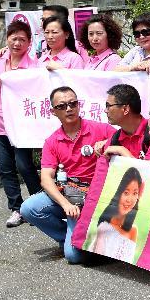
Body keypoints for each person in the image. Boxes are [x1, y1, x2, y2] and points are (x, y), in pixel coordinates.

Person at [21, 86, 115, 264]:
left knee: (73, 257)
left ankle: (80, 242)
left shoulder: (102, 130)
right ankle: (70, 238)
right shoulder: (52, 141)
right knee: (28, 208)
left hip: (98, 197)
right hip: (71, 196)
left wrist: (109, 144)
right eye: (62, 106)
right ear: (53, 111)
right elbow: (46, 179)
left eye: (73, 103)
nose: (69, 109)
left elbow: (128, 144)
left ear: (79, 105)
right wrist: (65, 205)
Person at [0, 20, 41, 227]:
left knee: (24, 166)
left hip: (20, 125)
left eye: (22, 39)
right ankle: (16, 209)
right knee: (6, 168)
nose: (17, 43)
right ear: (7, 39)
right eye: (13, 38)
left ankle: (38, 205)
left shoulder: (34, 66)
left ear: (29, 42)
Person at [89, 167, 142, 262]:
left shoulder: (133, 230)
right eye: (126, 192)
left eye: (135, 193)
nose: (129, 200)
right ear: (119, 192)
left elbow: (128, 261)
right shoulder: (104, 225)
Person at [115, 12, 150, 108]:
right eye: (137, 34)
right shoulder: (135, 51)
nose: (141, 37)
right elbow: (116, 69)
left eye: (146, 32)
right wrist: (133, 67)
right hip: (136, 106)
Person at [95, 84, 150, 164]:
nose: (105, 110)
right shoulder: (113, 140)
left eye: (108, 106)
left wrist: (122, 151)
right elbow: (101, 174)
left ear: (125, 109)